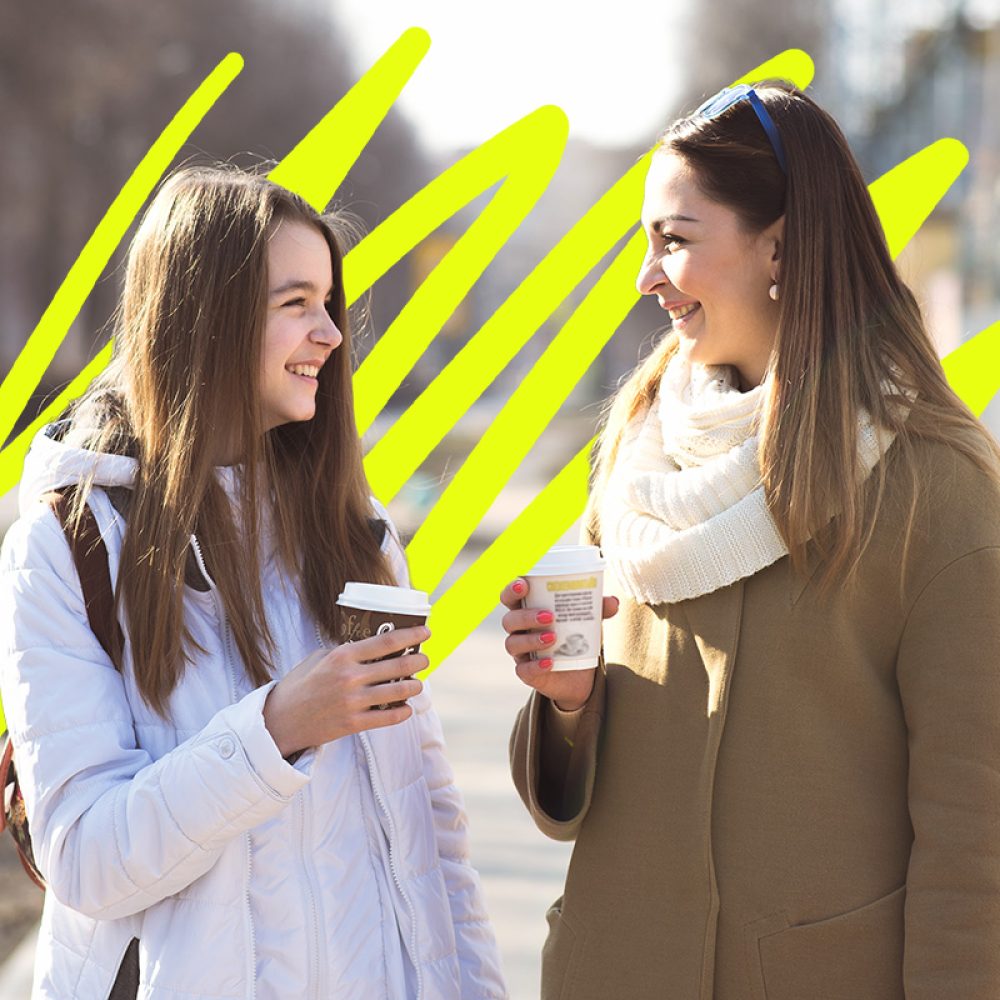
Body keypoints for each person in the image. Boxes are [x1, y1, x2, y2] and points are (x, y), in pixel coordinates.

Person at [503, 80, 1000, 999]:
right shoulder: (640, 443)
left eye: (675, 240)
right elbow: (575, 801)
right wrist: (568, 703)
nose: (646, 276)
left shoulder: (937, 485)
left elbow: (975, 846)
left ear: (779, 247)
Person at [0, 165, 507, 999]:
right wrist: (275, 729)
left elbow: (429, 840)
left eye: (329, 304)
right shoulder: (71, 547)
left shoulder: (358, 535)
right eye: (295, 303)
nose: (331, 334)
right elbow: (87, 859)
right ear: (207, 318)